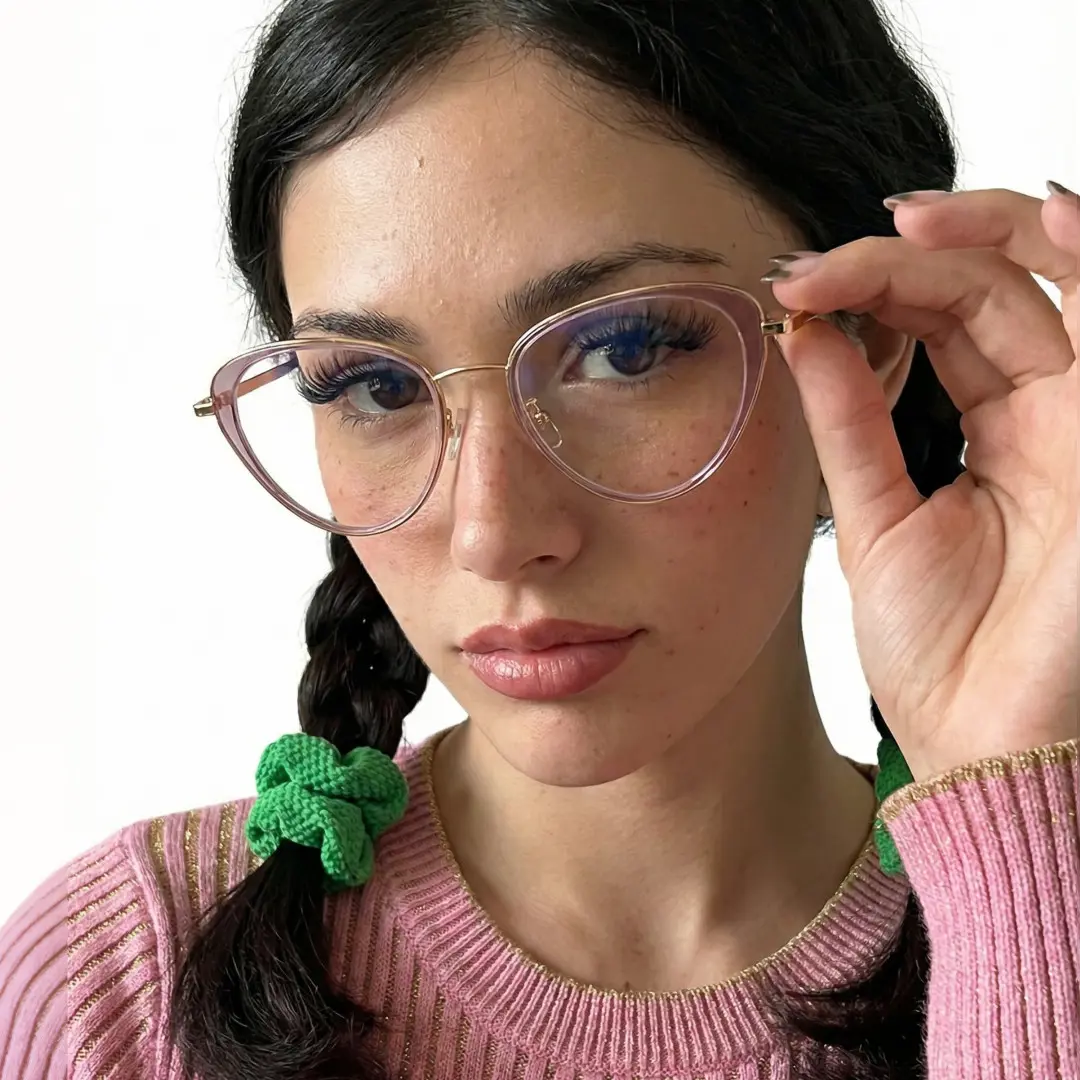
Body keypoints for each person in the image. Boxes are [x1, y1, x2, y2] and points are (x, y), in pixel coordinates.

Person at [1, 1, 1077, 1078]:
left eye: (623, 351)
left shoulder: (1048, 911)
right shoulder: (123, 990)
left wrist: (1018, 815)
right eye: (375, 386)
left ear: (869, 334)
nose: (493, 532)